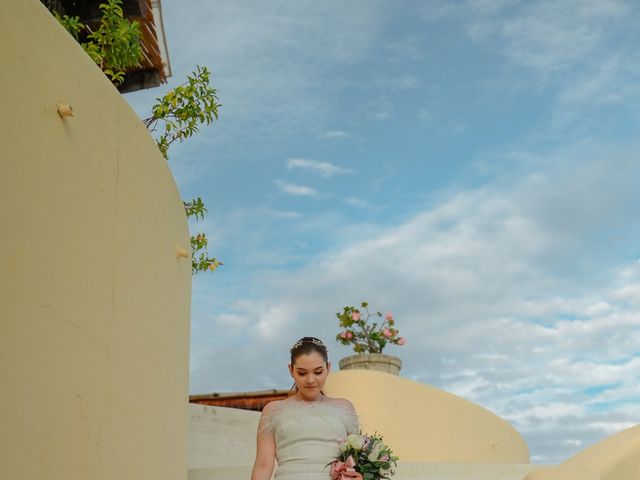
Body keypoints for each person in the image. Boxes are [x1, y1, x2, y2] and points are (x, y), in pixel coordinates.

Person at [250, 337, 362, 480]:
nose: (310, 380)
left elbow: (355, 461)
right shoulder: (273, 410)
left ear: (328, 368)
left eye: (318, 372)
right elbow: (263, 466)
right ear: (291, 370)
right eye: (302, 373)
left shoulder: (344, 408)